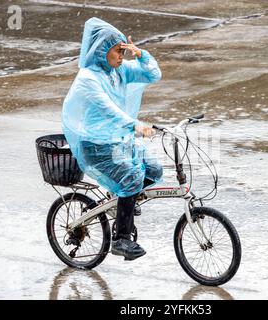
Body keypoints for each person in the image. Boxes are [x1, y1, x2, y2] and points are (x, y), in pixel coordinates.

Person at [62, 17, 163, 261]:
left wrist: (141, 55)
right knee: (132, 178)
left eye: (122, 50)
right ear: (101, 50)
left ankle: (121, 202)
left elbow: (153, 75)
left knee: (154, 169)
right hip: (95, 145)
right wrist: (136, 126)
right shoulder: (88, 79)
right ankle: (121, 240)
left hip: (116, 141)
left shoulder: (120, 71)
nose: (121, 56)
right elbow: (109, 110)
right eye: (118, 51)